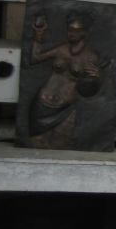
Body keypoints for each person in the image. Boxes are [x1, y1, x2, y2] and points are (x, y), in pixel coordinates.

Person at [26, 11, 108, 148]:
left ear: (84, 33)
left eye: (76, 30)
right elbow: (35, 58)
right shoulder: (61, 49)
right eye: (70, 29)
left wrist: (99, 77)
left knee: (61, 145)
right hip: (41, 104)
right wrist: (39, 34)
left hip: (65, 110)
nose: (71, 33)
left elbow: (90, 90)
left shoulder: (91, 57)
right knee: (34, 143)